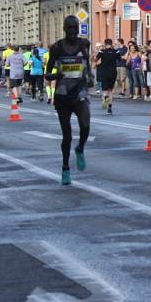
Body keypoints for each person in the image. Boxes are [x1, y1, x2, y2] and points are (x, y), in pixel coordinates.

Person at [45, 16, 92, 185]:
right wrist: (55, 75)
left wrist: (90, 76)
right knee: (67, 135)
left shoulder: (84, 44)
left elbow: (87, 63)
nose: (73, 31)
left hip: (80, 91)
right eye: (70, 28)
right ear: (64, 29)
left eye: (75, 28)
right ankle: (65, 168)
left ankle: (80, 148)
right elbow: (47, 73)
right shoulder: (57, 47)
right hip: (63, 94)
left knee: (86, 125)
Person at [96, 39, 118, 114]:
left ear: (105, 44)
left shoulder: (102, 51)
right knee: (111, 91)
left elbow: (96, 59)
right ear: (111, 44)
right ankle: (109, 108)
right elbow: (119, 59)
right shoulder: (116, 51)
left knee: (105, 90)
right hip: (113, 72)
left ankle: (105, 98)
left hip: (104, 72)